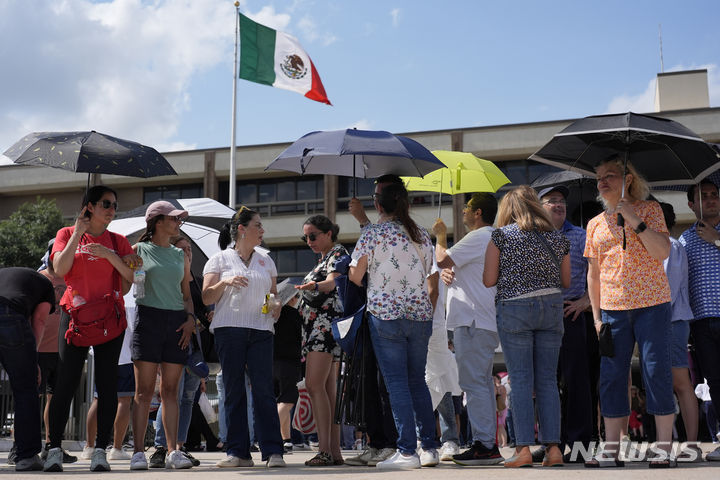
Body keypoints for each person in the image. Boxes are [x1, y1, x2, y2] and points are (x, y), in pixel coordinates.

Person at [584, 157, 674, 468]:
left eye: (610, 175)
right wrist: (596, 317)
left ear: (629, 180)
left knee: (655, 371)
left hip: (653, 305)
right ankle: (611, 451)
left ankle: (663, 448)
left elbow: (663, 252)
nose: (602, 182)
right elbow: (592, 275)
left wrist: (633, 218)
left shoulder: (651, 210)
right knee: (611, 377)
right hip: (612, 311)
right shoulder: (594, 224)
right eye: (599, 177)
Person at [349, 182, 440, 470]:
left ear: (378, 205)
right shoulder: (422, 234)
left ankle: (407, 452)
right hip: (420, 313)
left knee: (397, 384)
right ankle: (430, 448)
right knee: (417, 382)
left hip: (386, 314)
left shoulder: (373, 234)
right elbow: (428, 272)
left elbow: (355, 276)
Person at [46, 185, 135, 472]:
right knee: (66, 383)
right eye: (106, 204)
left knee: (108, 385)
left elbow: (128, 281)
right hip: (75, 318)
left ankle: (100, 450)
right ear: (90, 207)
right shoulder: (65, 234)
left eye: (114, 205)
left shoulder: (119, 241)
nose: (111, 210)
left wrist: (110, 255)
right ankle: (54, 448)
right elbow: (59, 270)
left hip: (110, 319)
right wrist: (76, 233)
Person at [483, 185, 570, 468]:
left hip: (515, 308)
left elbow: (488, 279)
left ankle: (522, 449)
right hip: (552, 307)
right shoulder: (557, 237)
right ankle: (553, 449)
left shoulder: (501, 236)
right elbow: (566, 281)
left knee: (520, 380)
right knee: (547, 380)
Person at [202, 206, 285, 468]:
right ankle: (238, 452)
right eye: (257, 225)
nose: (262, 230)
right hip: (229, 330)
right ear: (241, 229)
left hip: (262, 330)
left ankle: (273, 451)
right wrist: (224, 283)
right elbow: (206, 297)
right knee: (234, 390)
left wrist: (277, 305)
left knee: (264, 391)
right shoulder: (219, 260)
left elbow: (272, 295)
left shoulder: (266, 260)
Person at [432, 192, 504, 466]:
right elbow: (452, 268)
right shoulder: (490, 237)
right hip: (481, 320)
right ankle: (486, 442)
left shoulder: (479, 236)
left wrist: (440, 236)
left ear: (478, 213)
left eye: (468, 207)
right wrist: (451, 271)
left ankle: (485, 445)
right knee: (481, 384)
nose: (462, 211)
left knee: (475, 384)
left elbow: (442, 260)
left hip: (472, 320)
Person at [129, 201, 194, 470]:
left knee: (170, 391)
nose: (179, 223)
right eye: (174, 218)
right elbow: (126, 278)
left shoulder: (181, 256)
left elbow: (187, 296)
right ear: (158, 222)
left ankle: (173, 451)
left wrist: (191, 320)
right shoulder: (138, 249)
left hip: (177, 323)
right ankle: (137, 452)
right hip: (148, 319)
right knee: (143, 392)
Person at [344, 175, 401, 467]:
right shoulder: (411, 231)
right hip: (388, 314)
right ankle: (380, 442)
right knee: (373, 382)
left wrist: (364, 222)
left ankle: (391, 443)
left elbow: (356, 275)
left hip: (384, 314)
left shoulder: (385, 231)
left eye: (377, 195)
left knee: (385, 384)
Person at [537, 185, 594, 462]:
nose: (558, 205)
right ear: (540, 207)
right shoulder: (532, 238)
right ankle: (552, 443)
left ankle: (581, 443)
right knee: (546, 382)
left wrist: (586, 301)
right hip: (541, 317)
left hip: (572, 316)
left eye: (561, 201)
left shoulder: (581, 235)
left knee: (576, 382)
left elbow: (599, 274)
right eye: (551, 201)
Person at [149, 234, 208, 468]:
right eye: (182, 249)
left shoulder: (198, 279)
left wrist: (199, 321)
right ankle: (161, 447)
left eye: (189, 250)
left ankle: (179, 448)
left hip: (193, 346)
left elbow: (202, 313)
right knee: (170, 394)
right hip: (172, 342)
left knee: (187, 399)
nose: (187, 253)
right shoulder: (170, 276)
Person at [295, 215, 347, 466]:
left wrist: (312, 286)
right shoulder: (327, 257)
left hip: (323, 329)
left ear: (328, 233)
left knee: (315, 386)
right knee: (327, 390)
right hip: (321, 328)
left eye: (313, 235)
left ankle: (325, 450)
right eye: (305, 237)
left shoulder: (337, 253)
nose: (309, 241)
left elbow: (333, 283)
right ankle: (333, 451)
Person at [680, 179, 720, 461]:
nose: (710, 200)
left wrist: (716, 240)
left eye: (714, 195)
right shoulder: (684, 239)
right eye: (703, 196)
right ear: (692, 205)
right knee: (715, 382)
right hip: (702, 323)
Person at [0, 267, 55, 471]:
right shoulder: (45, 285)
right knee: (26, 388)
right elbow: (39, 320)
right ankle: (26, 456)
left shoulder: (6, 275)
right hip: (10, 315)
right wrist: (33, 361)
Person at [658, 202, 701, 460]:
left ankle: (692, 444)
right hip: (666, 321)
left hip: (671, 321)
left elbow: (668, 291)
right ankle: (680, 443)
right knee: (673, 382)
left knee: (680, 382)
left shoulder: (670, 245)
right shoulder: (666, 244)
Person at [37, 243, 78, 465]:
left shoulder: (71, 278)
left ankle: (52, 446)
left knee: (56, 400)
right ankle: (26, 447)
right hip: (39, 349)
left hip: (63, 350)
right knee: (32, 400)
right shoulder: (40, 278)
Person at [272, 283, 303, 454]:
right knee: (288, 400)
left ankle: (286, 440)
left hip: (271, 361)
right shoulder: (293, 314)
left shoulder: (270, 314)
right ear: (290, 298)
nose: (297, 299)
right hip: (289, 361)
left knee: (280, 400)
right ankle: (271, 435)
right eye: (296, 296)